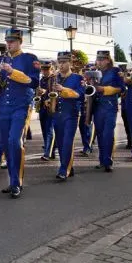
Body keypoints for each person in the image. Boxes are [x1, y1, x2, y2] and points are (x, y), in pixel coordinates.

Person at [0, 28, 40, 199]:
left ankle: (17, 182)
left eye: (12, 41)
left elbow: (34, 82)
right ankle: (12, 181)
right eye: (7, 41)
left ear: (20, 42)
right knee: (6, 144)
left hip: (20, 106)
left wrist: (12, 72)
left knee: (15, 141)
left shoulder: (30, 59)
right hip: (3, 107)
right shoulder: (3, 59)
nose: (9, 44)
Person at [51, 52, 84, 181]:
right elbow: (51, 93)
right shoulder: (55, 77)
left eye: (64, 62)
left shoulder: (77, 78)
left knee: (67, 142)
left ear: (70, 63)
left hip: (71, 114)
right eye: (60, 62)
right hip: (57, 114)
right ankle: (69, 167)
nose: (61, 65)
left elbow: (80, 95)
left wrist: (63, 90)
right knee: (60, 143)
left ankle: (63, 169)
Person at [92, 51, 124, 172]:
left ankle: (108, 161)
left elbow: (121, 88)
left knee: (108, 134)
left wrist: (104, 89)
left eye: (102, 59)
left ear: (108, 60)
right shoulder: (94, 71)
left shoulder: (115, 71)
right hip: (97, 106)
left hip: (110, 106)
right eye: (98, 59)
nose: (99, 62)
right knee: (100, 134)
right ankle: (102, 160)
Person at [38, 60, 56, 161]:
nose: (45, 71)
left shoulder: (54, 79)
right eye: (43, 69)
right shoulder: (42, 80)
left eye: (47, 69)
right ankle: (51, 151)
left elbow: (55, 92)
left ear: (51, 69)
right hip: (42, 107)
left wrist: (46, 92)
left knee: (49, 130)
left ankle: (47, 153)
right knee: (44, 130)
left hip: (51, 107)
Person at [77, 63, 95, 156]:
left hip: (91, 108)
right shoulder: (81, 82)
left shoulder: (94, 82)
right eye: (84, 72)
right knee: (82, 127)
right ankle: (86, 146)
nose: (85, 74)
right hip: (82, 108)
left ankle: (88, 147)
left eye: (87, 72)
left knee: (88, 128)